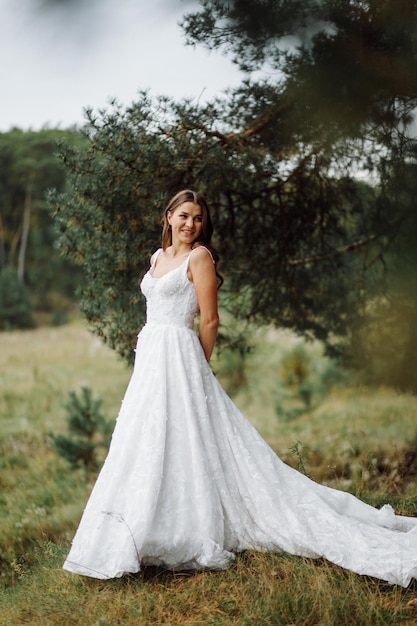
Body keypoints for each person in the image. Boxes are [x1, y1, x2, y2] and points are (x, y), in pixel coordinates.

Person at [63, 189, 417, 586]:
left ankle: (197, 527)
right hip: (151, 360)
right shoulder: (157, 258)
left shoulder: (201, 257)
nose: (190, 224)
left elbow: (210, 320)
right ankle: (142, 529)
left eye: (197, 218)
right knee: (148, 437)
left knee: (190, 431)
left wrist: (197, 368)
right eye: (183, 216)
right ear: (168, 217)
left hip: (181, 355)